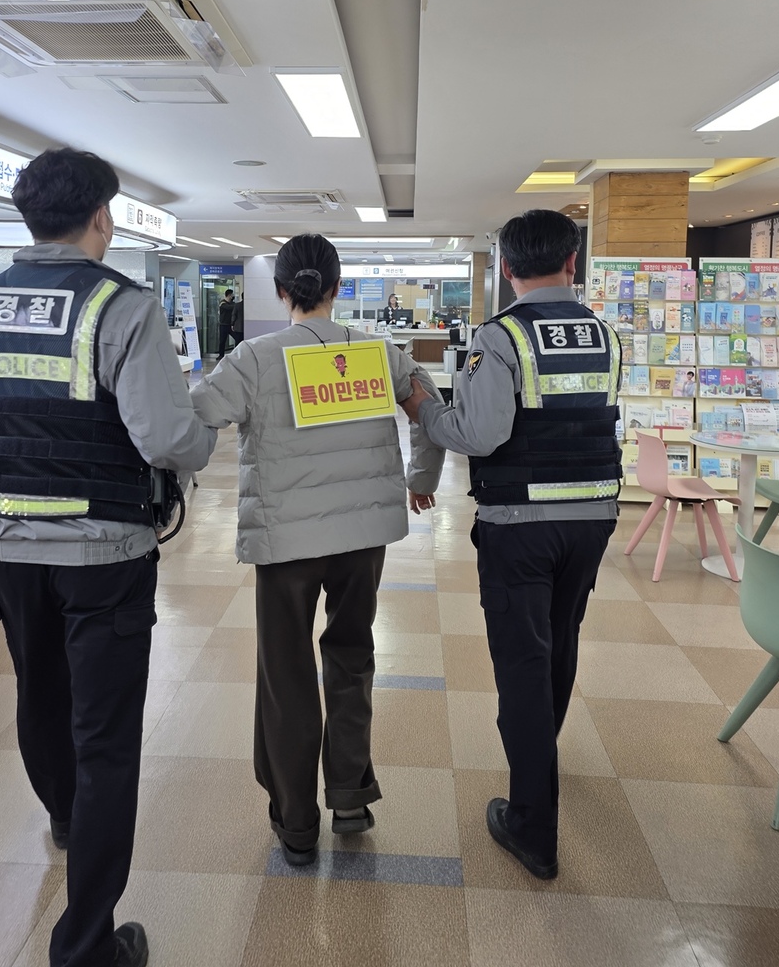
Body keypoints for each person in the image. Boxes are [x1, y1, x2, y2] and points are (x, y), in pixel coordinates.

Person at [0, 148, 216, 967]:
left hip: (5, 542)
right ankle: (86, 944)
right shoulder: (122, 308)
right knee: (105, 736)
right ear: (101, 217)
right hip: (103, 548)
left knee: (40, 693)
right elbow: (169, 437)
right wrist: (202, 437)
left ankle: (63, 813)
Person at [191, 234, 445, 866]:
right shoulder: (379, 351)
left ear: (282, 291)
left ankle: (297, 822)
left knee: (286, 674)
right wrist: (421, 480)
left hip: (287, 544)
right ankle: (351, 794)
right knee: (352, 655)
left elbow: (194, 419)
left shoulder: (253, 358)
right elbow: (431, 409)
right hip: (361, 542)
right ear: (337, 287)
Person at [402, 209, 620, 881]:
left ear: (506, 268)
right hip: (592, 519)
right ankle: (540, 759)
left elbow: (481, 435)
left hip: (521, 526)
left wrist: (424, 410)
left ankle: (532, 826)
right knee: (561, 639)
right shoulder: (604, 333)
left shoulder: (501, 339)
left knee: (522, 663)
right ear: (572, 263)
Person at [217, 289, 235, 359]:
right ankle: (221, 355)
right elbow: (229, 308)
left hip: (230, 325)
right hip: (223, 325)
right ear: (229, 295)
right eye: (232, 295)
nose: (233, 296)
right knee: (222, 341)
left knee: (237, 338)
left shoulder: (232, 303)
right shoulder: (222, 303)